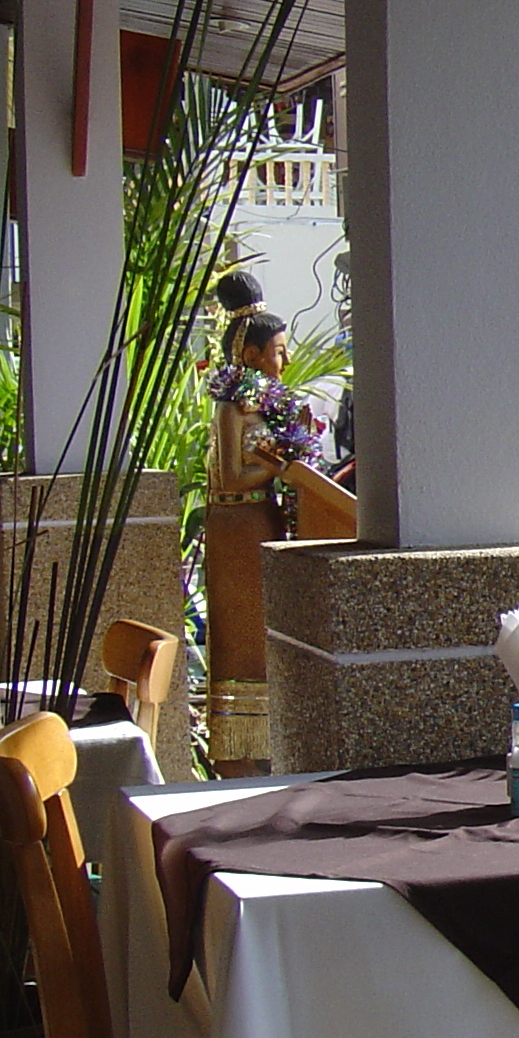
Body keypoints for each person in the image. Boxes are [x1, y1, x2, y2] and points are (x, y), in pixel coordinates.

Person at [203, 301, 318, 773]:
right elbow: (231, 478)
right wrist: (279, 468)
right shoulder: (232, 408)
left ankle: (268, 741)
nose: (285, 362)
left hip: (262, 522)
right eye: (278, 351)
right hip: (235, 529)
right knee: (242, 637)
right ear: (250, 356)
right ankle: (237, 748)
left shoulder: (267, 404)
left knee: (264, 631)